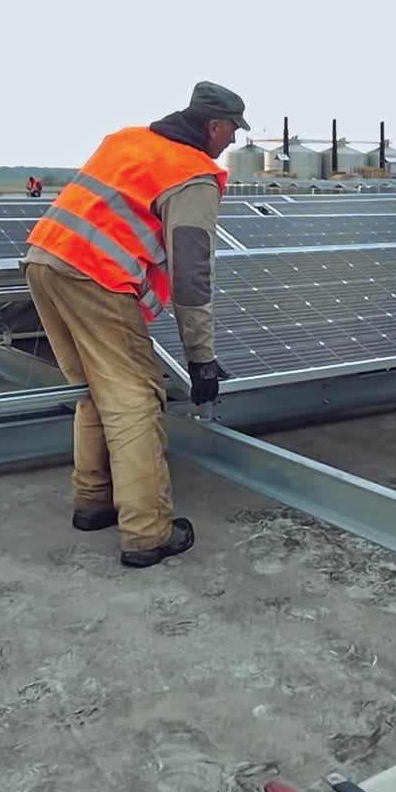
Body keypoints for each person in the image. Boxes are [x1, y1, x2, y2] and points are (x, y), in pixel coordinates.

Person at [21, 81, 248, 567]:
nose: (233, 140)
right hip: (95, 277)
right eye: (232, 129)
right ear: (213, 125)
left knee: (93, 389)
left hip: (44, 259)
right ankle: (147, 533)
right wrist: (201, 358)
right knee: (136, 400)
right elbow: (191, 273)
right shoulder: (192, 175)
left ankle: (93, 501)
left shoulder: (128, 140)